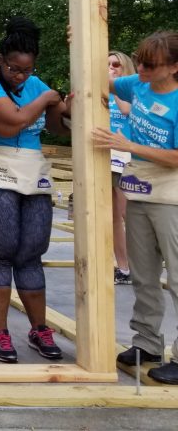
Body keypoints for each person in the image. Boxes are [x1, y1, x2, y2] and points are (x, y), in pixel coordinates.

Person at [0, 17, 70, 364]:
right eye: (14, 68)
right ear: (1, 59)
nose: (20, 76)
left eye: (27, 70)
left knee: (32, 251)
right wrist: (48, 97)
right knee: (1, 251)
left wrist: (68, 104)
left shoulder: (37, 85)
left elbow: (60, 128)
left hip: (33, 174)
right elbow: (9, 122)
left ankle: (39, 328)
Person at [93, 31, 178, 384]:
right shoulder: (138, 85)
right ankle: (147, 343)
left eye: (150, 64)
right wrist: (80, 40)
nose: (140, 67)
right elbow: (99, 77)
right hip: (140, 190)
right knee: (143, 275)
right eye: (139, 60)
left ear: (174, 67)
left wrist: (127, 145)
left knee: (177, 278)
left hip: (171, 196)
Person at [107, 50, 135, 285]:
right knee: (113, 217)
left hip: (127, 158)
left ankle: (141, 265)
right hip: (106, 157)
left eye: (116, 64)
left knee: (130, 215)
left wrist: (114, 85)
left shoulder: (132, 89)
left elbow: (126, 110)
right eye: (107, 65)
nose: (111, 68)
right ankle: (123, 268)